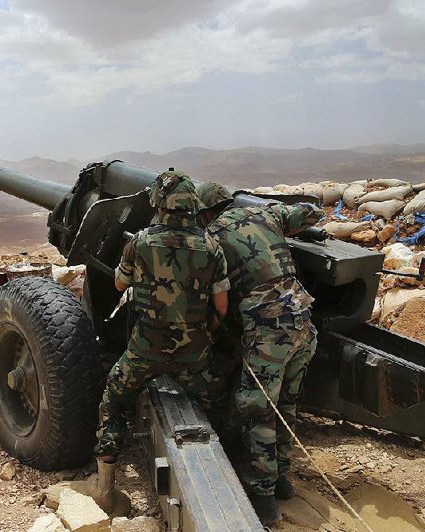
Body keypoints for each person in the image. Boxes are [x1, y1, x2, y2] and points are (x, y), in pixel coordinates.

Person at [87, 170, 229, 511]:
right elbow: (221, 307)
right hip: (194, 355)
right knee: (217, 401)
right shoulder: (211, 247)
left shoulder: (140, 242)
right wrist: (201, 333)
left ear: (159, 204)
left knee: (113, 399)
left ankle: (105, 485)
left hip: (144, 352)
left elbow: (120, 286)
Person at [196, 182, 323, 525]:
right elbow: (313, 210)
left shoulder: (210, 236)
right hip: (303, 319)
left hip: (269, 329)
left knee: (257, 409)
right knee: (286, 405)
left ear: (206, 212)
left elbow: (213, 299)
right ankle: (282, 479)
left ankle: (263, 495)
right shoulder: (264, 212)